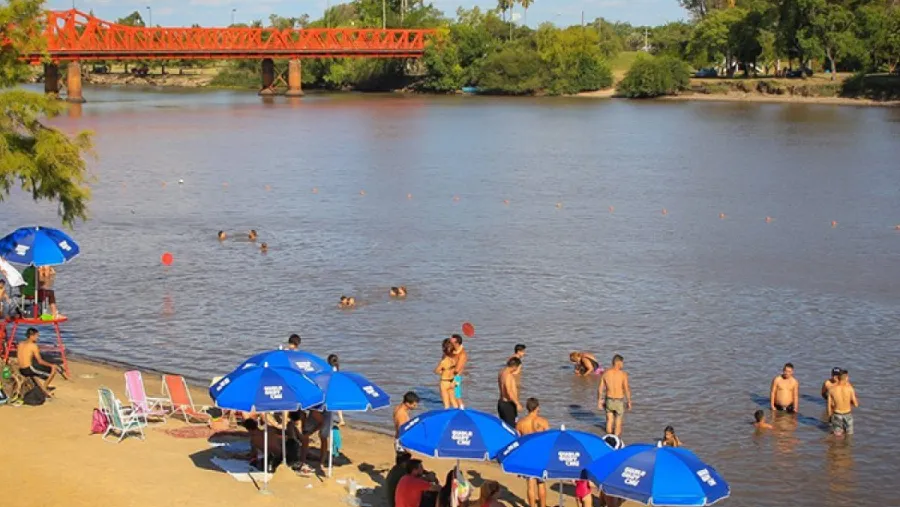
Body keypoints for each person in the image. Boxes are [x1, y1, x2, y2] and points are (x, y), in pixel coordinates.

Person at [516, 398, 549, 507]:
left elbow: (518, 441)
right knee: (541, 483)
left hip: (527, 454)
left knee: (530, 484)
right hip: (540, 454)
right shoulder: (543, 422)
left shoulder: (520, 423)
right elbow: (549, 440)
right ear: (537, 408)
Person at [17, 327, 62, 397]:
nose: (38, 338)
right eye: (36, 336)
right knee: (53, 370)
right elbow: (40, 361)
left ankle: (41, 386)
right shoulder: (33, 346)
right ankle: (44, 390)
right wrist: (51, 365)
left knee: (37, 369)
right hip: (28, 369)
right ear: (31, 336)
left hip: (21, 369)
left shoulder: (20, 344)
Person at [597, 354, 631, 436]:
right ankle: (616, 439)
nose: (623, 365)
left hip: (609, 400)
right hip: (619, 400)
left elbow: (600, 389)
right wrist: (629, 401)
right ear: (618, 362)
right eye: (622, 363)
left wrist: (599, 401)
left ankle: (608, 439)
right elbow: (626, 389)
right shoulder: (623, 374)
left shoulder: (606, 374)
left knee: (609, 420)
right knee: (618, 422)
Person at [827, 371, 858, 437]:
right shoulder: (850, 388)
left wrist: (830, 417)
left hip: (837, 414)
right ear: (846, 378)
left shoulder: (831, 389)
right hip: (848, 414)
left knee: (838, 436)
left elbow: (829, 406)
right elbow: (856, 404)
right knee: (849, 436)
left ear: (838, 378)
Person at [497, 357, 523, 427]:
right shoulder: (508, 376)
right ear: (515, 367)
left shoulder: (502, 372)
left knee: (505, 427)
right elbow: (509, 392)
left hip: (501, 403)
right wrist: (517, 404)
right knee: (511, 427)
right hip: (508, 405)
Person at [435, 339, 459, 409]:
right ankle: (458, 415)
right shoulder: (456, 358)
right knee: (454, 401)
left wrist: (441, 371)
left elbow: (436, 371)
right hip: (453, 380)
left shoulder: (444, 361)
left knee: (446, 405)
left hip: (444, 382)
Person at [327, 354, 346, 426]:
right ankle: (341, 419)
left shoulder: (329, 369)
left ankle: (331, 418)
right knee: (338, 405)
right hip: (337, 387)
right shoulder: (337, 368)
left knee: (330, 403)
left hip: (331, 387)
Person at [450, 334, 468, 406]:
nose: (449, 344)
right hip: (449, 376)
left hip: (456, 377)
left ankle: (461, 408)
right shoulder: (452, 351)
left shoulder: (462, 354)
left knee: (457, 395)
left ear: (457, 343)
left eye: (451, 343)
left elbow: (457, 369)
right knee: (451, 395)